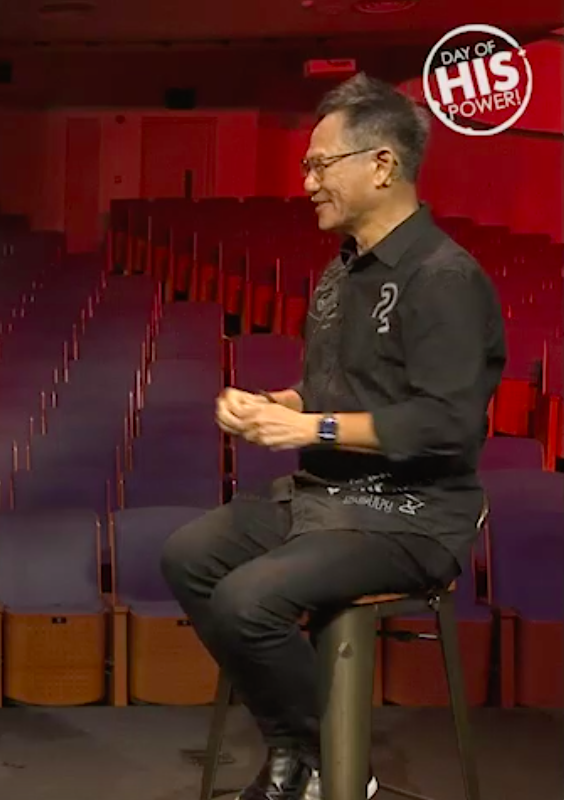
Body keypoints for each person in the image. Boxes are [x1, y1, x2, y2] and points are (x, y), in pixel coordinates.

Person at [159, 74, 505, 800]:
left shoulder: (445, 278)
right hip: (329, 497)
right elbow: (336, 391)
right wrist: (277, 404)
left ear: (382, 165)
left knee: (249, 601)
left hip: (410, 517)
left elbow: (446, 423)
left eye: (321, 164)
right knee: (189, 555)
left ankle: (337, 771)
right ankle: (308, 753)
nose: (307, 180)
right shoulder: (340, 272)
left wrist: (306, 425)